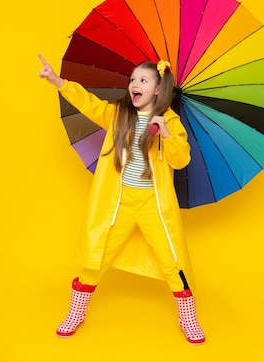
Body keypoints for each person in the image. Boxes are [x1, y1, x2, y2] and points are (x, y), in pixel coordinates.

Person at [38, 54, 205, 344]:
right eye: (132, 80)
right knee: (96, 256)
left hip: (153, 204)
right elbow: (91, 105)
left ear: (157, 89)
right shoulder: (119, 114)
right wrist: (59, 82)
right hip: (119, 202)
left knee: (173, 259)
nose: (134, 85)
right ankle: (77, 312)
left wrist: (165, 133)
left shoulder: (169, 121)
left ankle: (187, 317)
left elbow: (181, 160)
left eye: (143, 80)